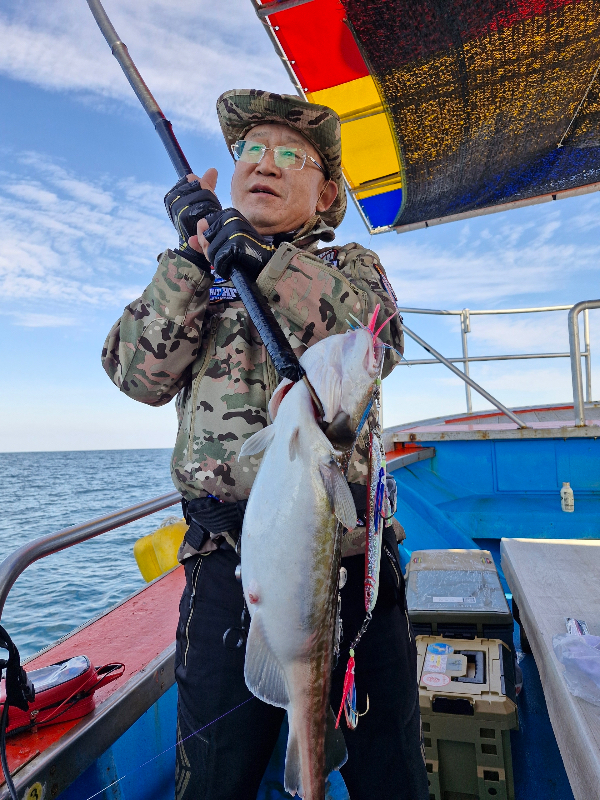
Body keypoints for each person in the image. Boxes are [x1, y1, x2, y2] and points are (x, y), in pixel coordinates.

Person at [102, 89, 428, 800]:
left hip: (345, 563)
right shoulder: (198, 276)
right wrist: (190, 262)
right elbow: (135, 375)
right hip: (227, 566)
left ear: (327, 194)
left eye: (290, 155)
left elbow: (374, 338)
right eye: (251, 150)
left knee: (391, 772)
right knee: (213, 779)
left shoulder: (351, 265)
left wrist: (268, 264)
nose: (264, 164)